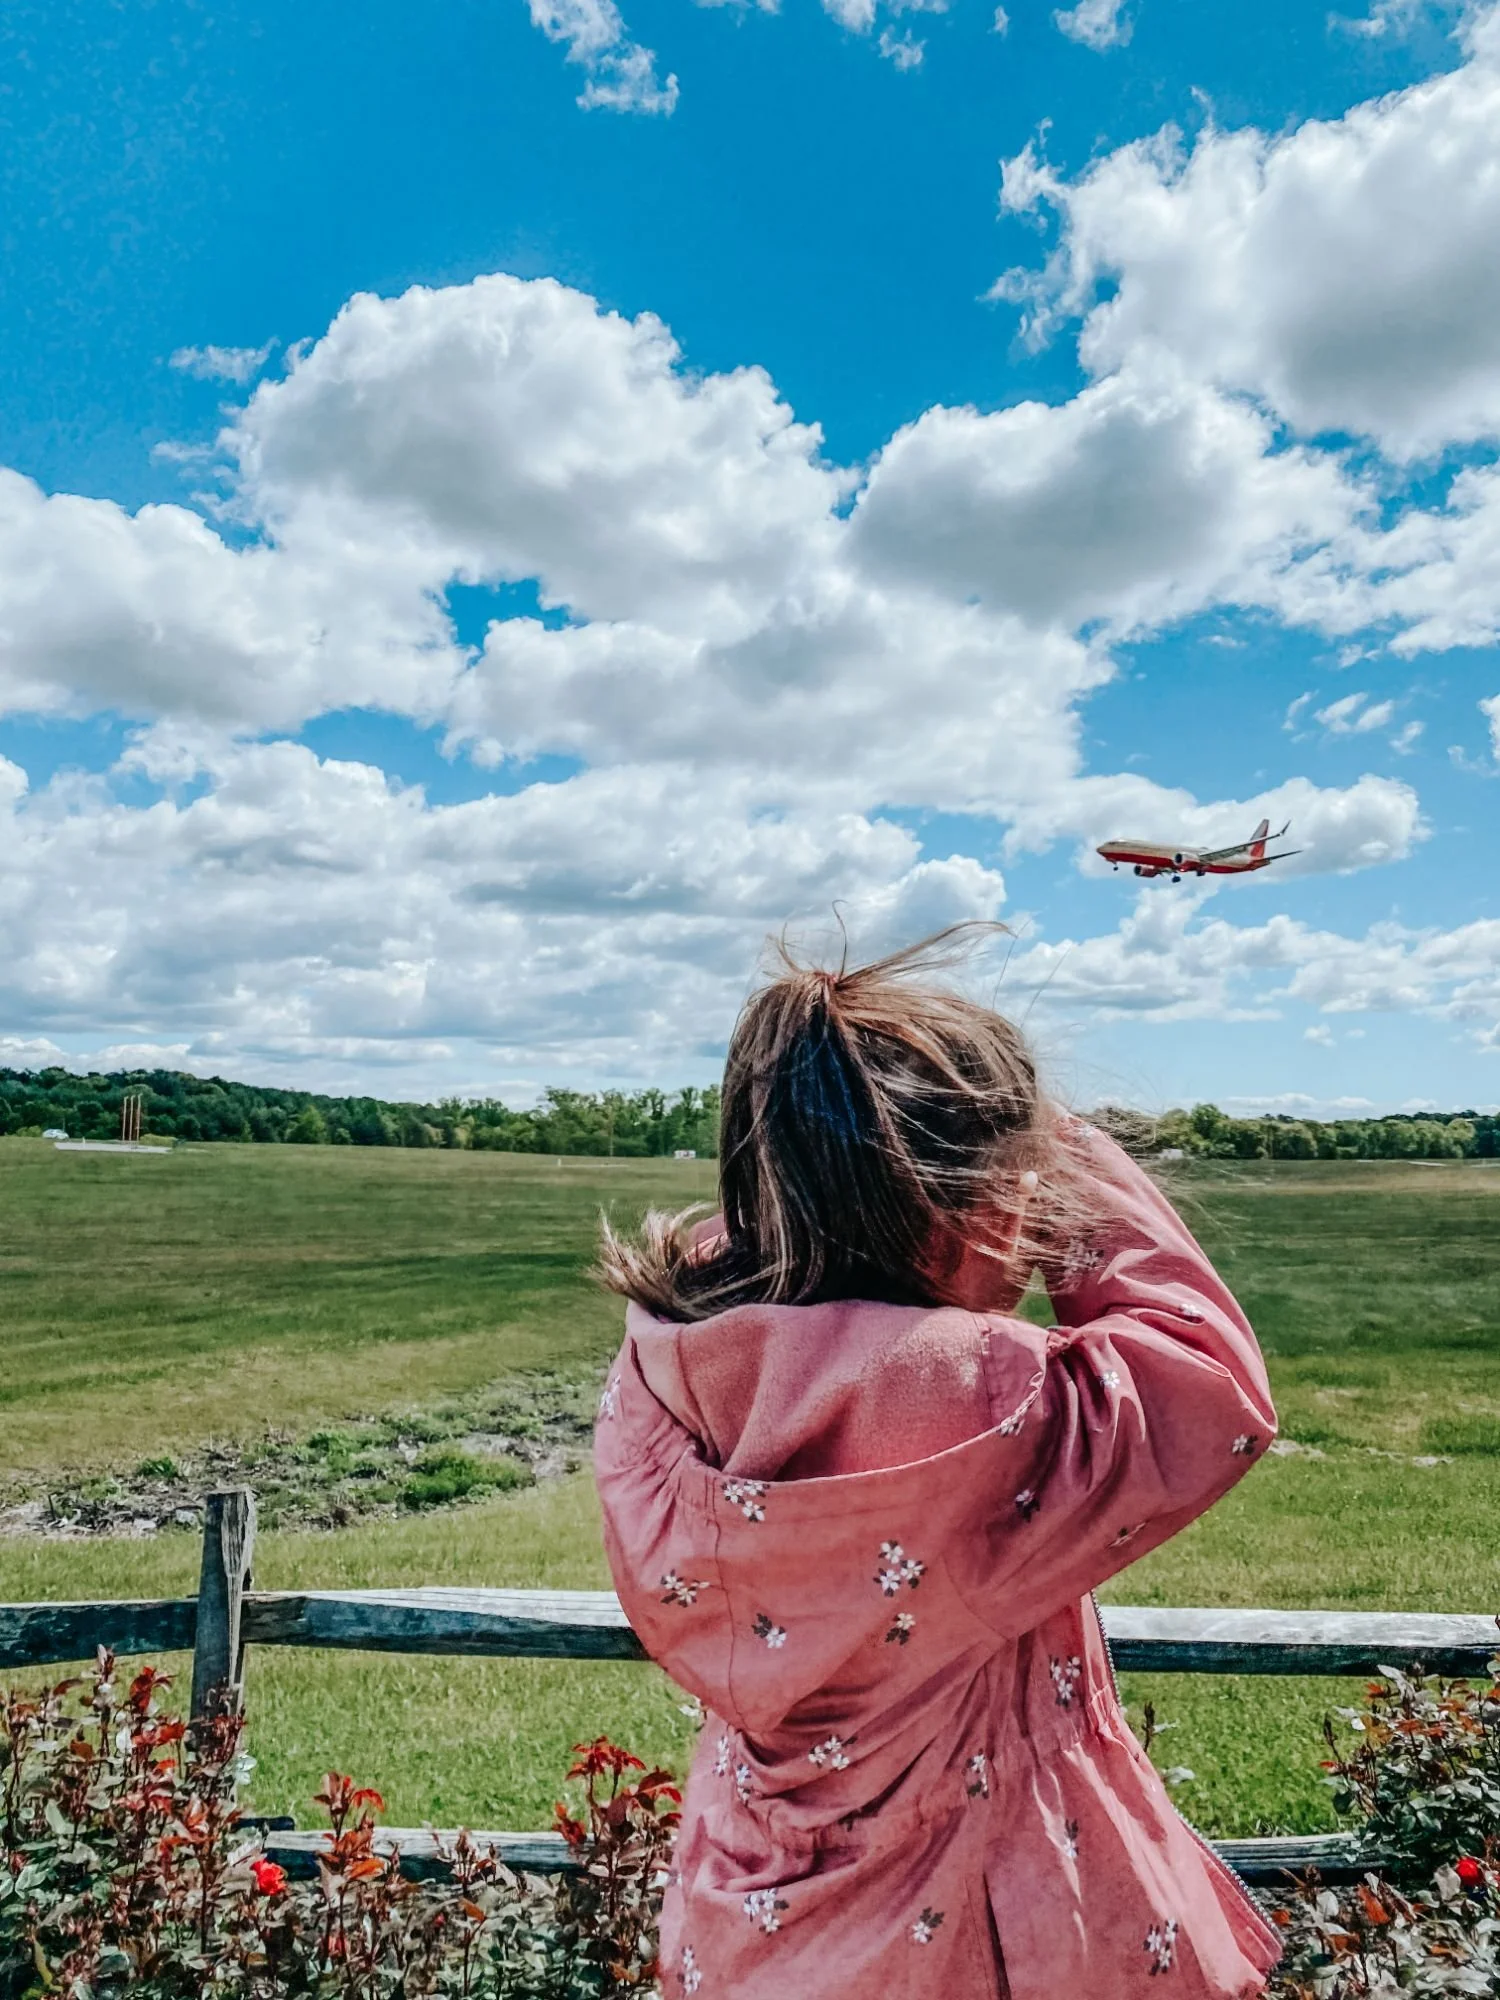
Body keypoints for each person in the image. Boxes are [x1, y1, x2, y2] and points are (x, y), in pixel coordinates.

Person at [593, 926, 1283, 2000]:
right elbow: (1209, 1384)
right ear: (980, 1206)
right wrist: (1072, 1147)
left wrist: (798, 1187)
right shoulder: (981, 1401)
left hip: (751, 1923)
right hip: (971, 1939)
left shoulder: (667, 1367)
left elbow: (765, 1276)